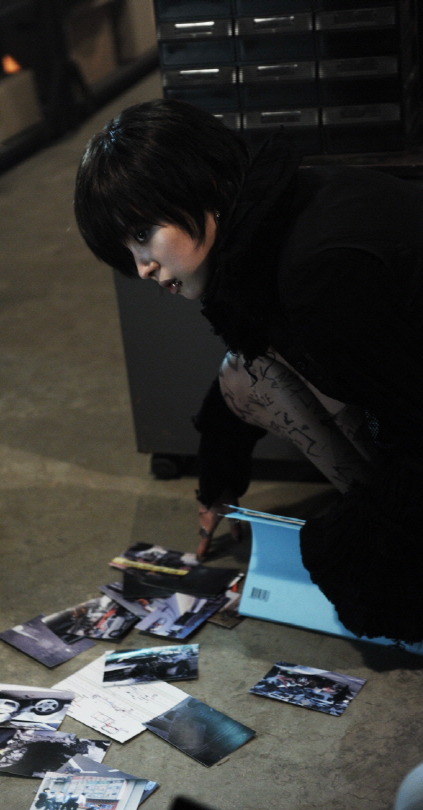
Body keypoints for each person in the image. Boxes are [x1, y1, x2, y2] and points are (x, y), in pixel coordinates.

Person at [74, 98, 423, 644]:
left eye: (143, 234)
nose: (141, 268)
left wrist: (359, 552)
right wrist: (218, 476)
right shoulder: (275, 219)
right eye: (127, 249)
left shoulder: (319, 274)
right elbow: (253, 357)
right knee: (248, 375)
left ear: (203, 188)